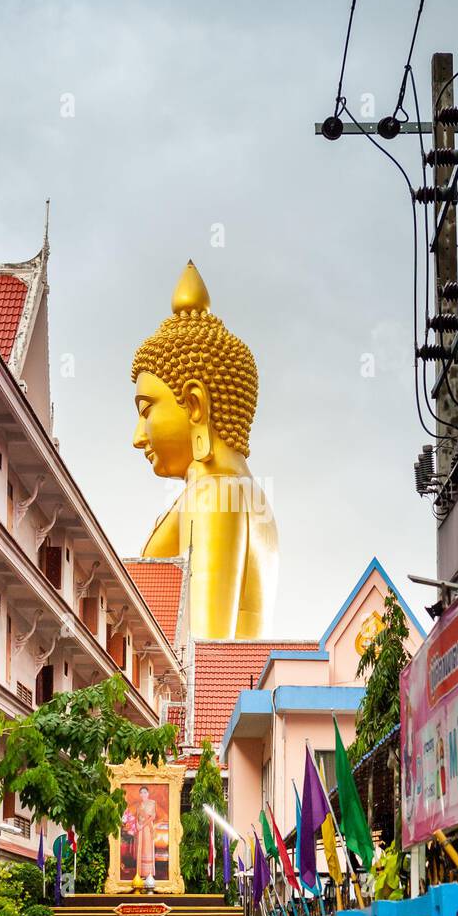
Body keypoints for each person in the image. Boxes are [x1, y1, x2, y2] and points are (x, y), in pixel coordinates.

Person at [131, 261, 278, 639]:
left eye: (146, 410)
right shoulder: (248, 496)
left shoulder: (213, 493)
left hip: (193, 697)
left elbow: (201, 655)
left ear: (195, 405)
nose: (138, 436)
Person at [135, 785, 157, 879]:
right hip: (140, 828)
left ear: (148, 793)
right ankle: (141, 873)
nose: (143, 794)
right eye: (141, 792)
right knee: (141, 848)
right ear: (139, 794)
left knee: (147, 849)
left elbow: (153, 817)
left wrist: (142, 825)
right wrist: (137, 825)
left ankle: (149, 873)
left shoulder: (152, 803)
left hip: (148, 828)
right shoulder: (138, 805)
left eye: (145, 792)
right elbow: (136, 817)